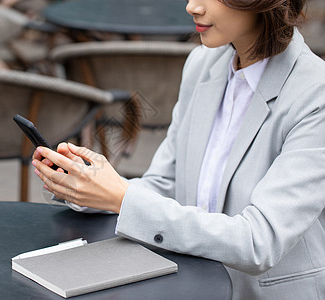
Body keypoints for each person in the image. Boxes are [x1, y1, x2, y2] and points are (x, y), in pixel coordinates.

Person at [32, 0, 325, 299]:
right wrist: (90, 187)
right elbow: (166, 184)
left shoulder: (315, 95)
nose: (192, 6)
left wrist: (121, 198)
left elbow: (259, 241)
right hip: (191, 282)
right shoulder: (202, 64)